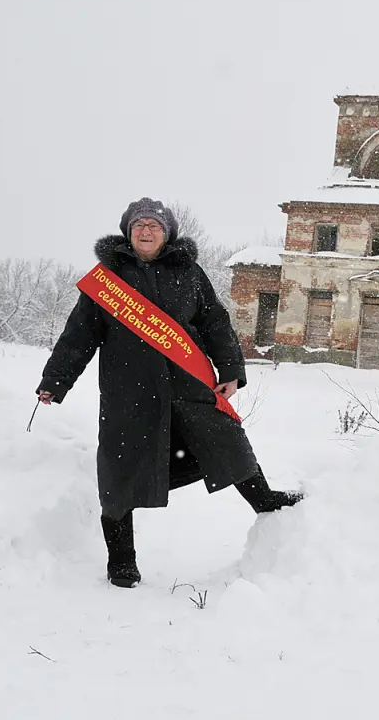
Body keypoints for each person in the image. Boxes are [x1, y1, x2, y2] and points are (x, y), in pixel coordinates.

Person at [36, 198, 301, 588]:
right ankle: (122, 562)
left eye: (154, 225)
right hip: (128, 393)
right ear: (128, 231)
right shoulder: (107, 279)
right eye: (139, 224)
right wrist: (56, 380)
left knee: (226, 439)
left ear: (167, 233)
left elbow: (214, 322)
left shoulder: (189, 273)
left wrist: (230, 369)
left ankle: (265, 500)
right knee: (119, 472)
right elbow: (79, 336)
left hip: (188, 385)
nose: (146, 230)